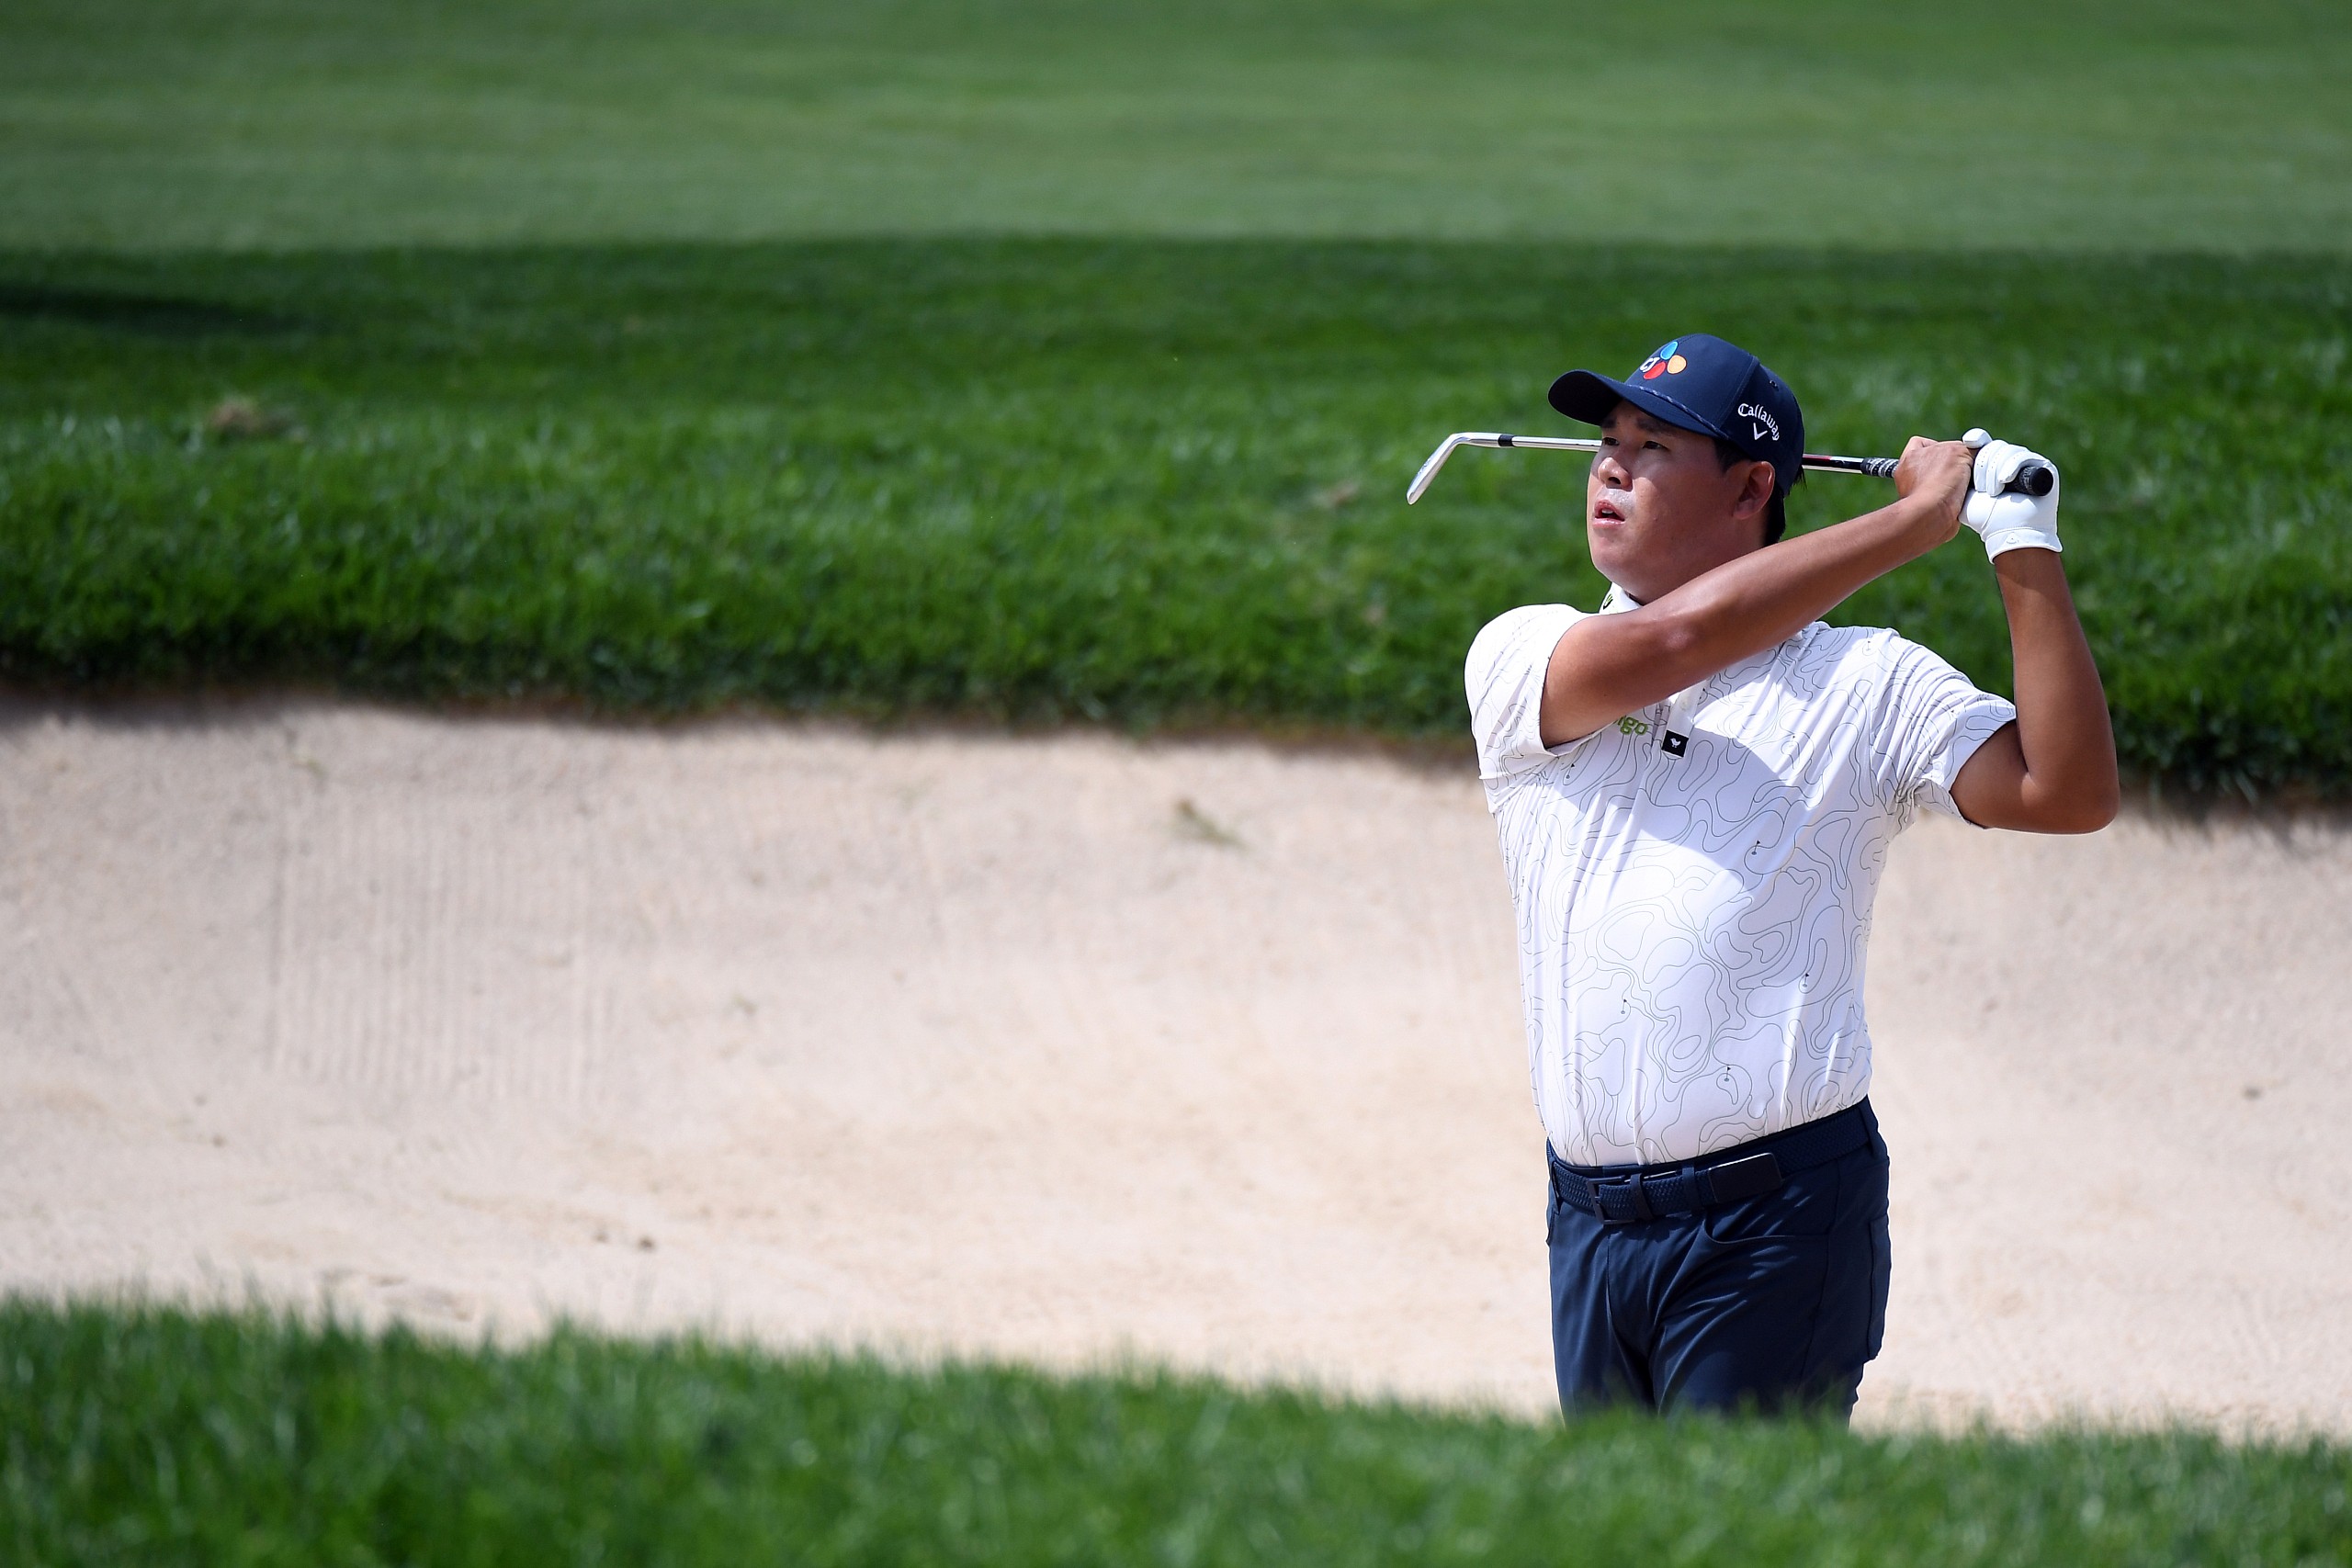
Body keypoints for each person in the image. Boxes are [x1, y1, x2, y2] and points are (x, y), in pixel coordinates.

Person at [1464, 333, 2118, 1417]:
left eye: (1653, 446)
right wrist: (1910, 522)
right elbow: (1677, 642)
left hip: (1774, 1220)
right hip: (1585, 1222)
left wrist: (2020, 543)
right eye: (1606, 444)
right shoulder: (1524, 652)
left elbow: (2065, 791)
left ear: (1752, 486)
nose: (1610, 468)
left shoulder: (1866, 681)